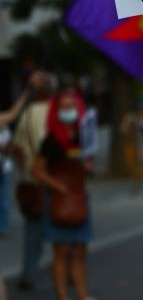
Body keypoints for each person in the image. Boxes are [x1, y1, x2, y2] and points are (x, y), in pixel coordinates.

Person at [31, 91, 94, 300]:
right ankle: (62, 296)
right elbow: (37, 170)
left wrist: (87, 166)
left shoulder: (83, 136)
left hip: (78, 198)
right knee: (61, 252)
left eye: (71, 106)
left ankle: (82, 294)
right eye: (63, 107)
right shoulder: (50, 141)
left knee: (79, 251)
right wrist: (57, 185)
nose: (68, 111)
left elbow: (89, 166)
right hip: (58, 201)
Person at [12, 70, 54, 291]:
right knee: (62, 228)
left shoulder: (28, 115)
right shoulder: (57, 112)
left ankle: (28, 273)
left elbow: (18, 148)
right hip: (53, 180)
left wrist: (25, 170)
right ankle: (65, 271)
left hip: (31, 181)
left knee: (32, 232)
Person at [0, 82, 30, 236]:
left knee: (5, 199)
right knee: (4, 199)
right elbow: (13, 113)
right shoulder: (1, 120)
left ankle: (2, 227)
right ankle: (2, 227)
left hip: (4, 165)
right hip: (4, 166)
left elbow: (12, 114)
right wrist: (26, 94)